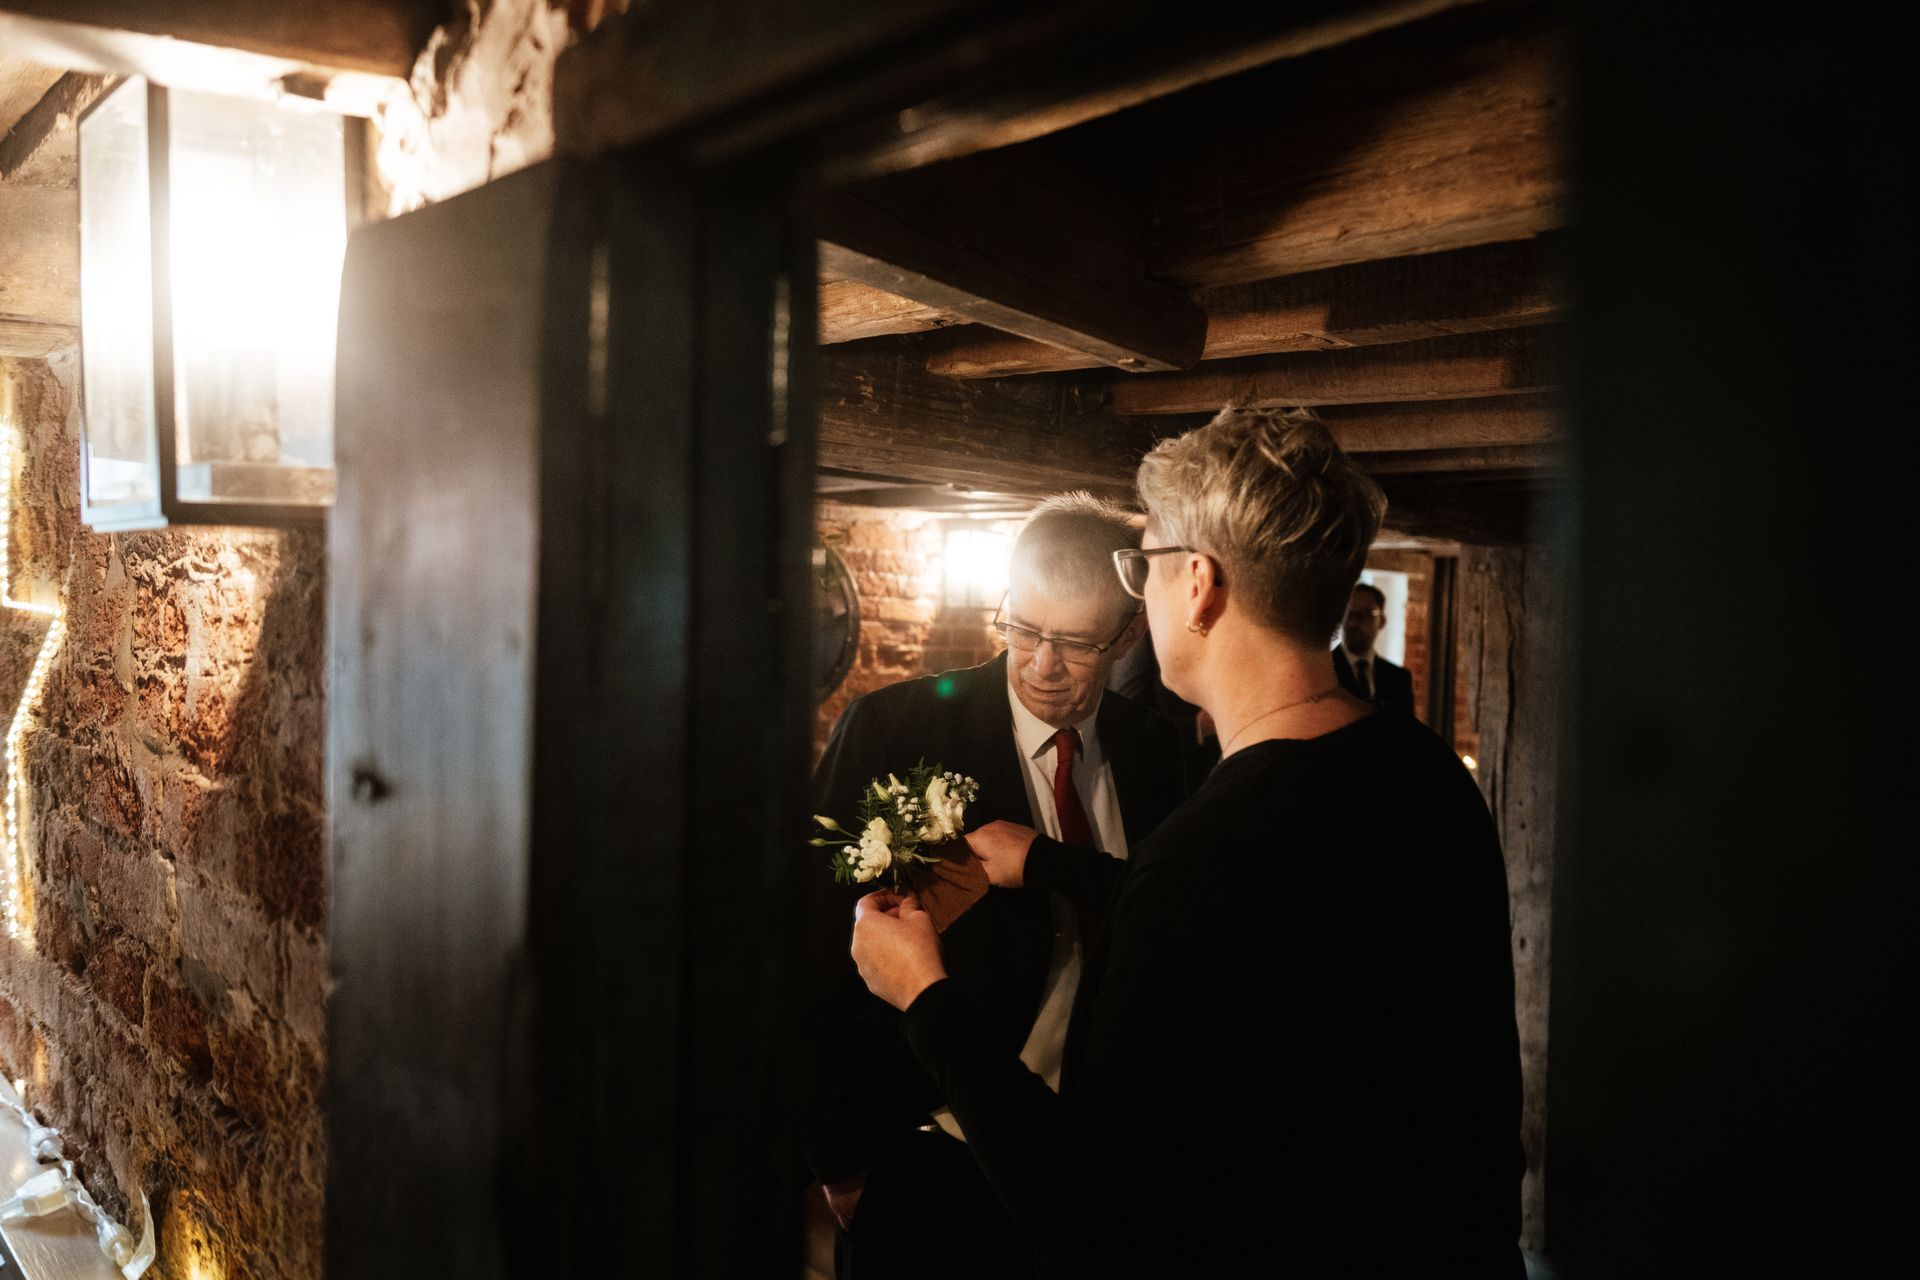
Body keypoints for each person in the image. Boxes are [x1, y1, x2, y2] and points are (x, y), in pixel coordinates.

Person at [850, 408, 1524, 1278]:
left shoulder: (1204, 855)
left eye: (1145, 566)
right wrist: (1052, 862)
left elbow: (1081, 1208)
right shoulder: (1426, 770)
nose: (1143, 589)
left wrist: (924, 995)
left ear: (1199, 583)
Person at [787, 493, 1190, 1280]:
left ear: (1128, 634)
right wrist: (839, 1158)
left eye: (1074, 643)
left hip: (1093, 1165)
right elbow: (802, 949)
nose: (1041, 664)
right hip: (931, 1157)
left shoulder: (1156, 749)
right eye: (1024, 628)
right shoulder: (896, 729)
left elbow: (1163, 918)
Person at [1334, 582, 1416, 715]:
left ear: (1381, 621)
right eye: (1349, 614)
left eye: (1365, 614)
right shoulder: (1325, 670)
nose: (1353, 623)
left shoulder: (1399, 679)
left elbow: (1405, 731)